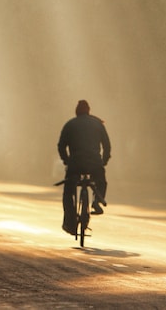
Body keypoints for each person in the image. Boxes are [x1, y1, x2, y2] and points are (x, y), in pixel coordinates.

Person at [57, 99, 111, 235]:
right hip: (94, 163)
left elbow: (61, 146)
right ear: (89, 111)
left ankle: (70, 223)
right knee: (101, 181)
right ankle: (97, 201)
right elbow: (107, 145)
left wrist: (66, 161)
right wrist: (103, 161)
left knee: (68, 191)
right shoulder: (98, 124)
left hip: (75, 164)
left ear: (76, 112)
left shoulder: (70, 124)